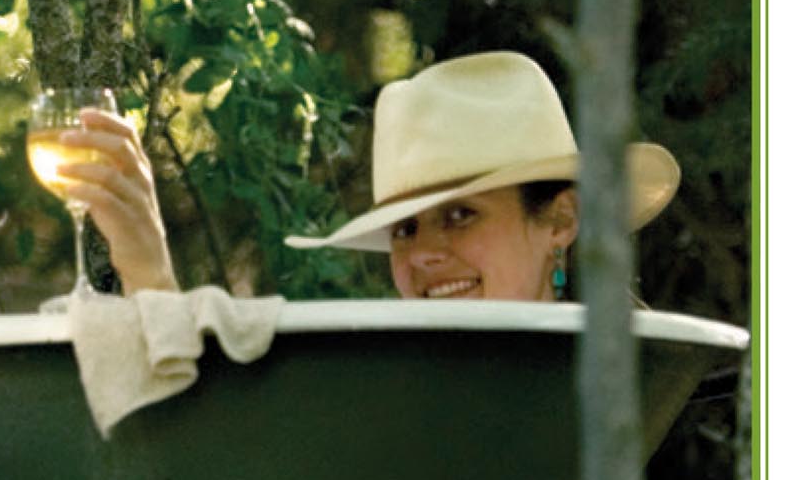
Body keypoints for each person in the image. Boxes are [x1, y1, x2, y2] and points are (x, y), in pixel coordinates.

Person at [42, 51, 680, 303]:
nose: (423, 254)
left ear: (560, 222)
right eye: (404, 227)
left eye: (461, 214)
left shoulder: (618, 385)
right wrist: (146, 272)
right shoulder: (393, 383)